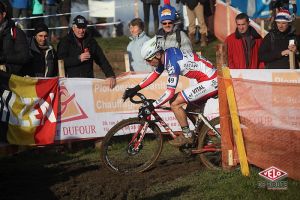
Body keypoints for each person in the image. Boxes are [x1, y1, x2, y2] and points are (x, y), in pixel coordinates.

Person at [122, 36, 218, 147]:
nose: (148, 63)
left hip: (211, 81)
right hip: (208, 79)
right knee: (191, 111)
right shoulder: (167, 55)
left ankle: (187, 136)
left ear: (157, 55)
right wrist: (136, 88)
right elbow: (155, 74)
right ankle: (206, 141)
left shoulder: (172, 62)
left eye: (149, 60)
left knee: (174, 102)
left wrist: (152, 106)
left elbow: (169, 93)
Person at [57, 15, 116, 88]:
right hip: (71, 83)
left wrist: (110, 75)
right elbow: (60, 62)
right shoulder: (65, 42)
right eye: (79, 27)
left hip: (88, 82)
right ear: (73, 28)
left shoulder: (90, 41)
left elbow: (101, 59)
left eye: (83, 27)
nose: (81, 31)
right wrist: (78, 58)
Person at [0, 2, 29, 75]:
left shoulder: (16, 32)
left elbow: (23, 57)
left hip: (11, 79)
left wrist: (6, 64)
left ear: (3, 14)